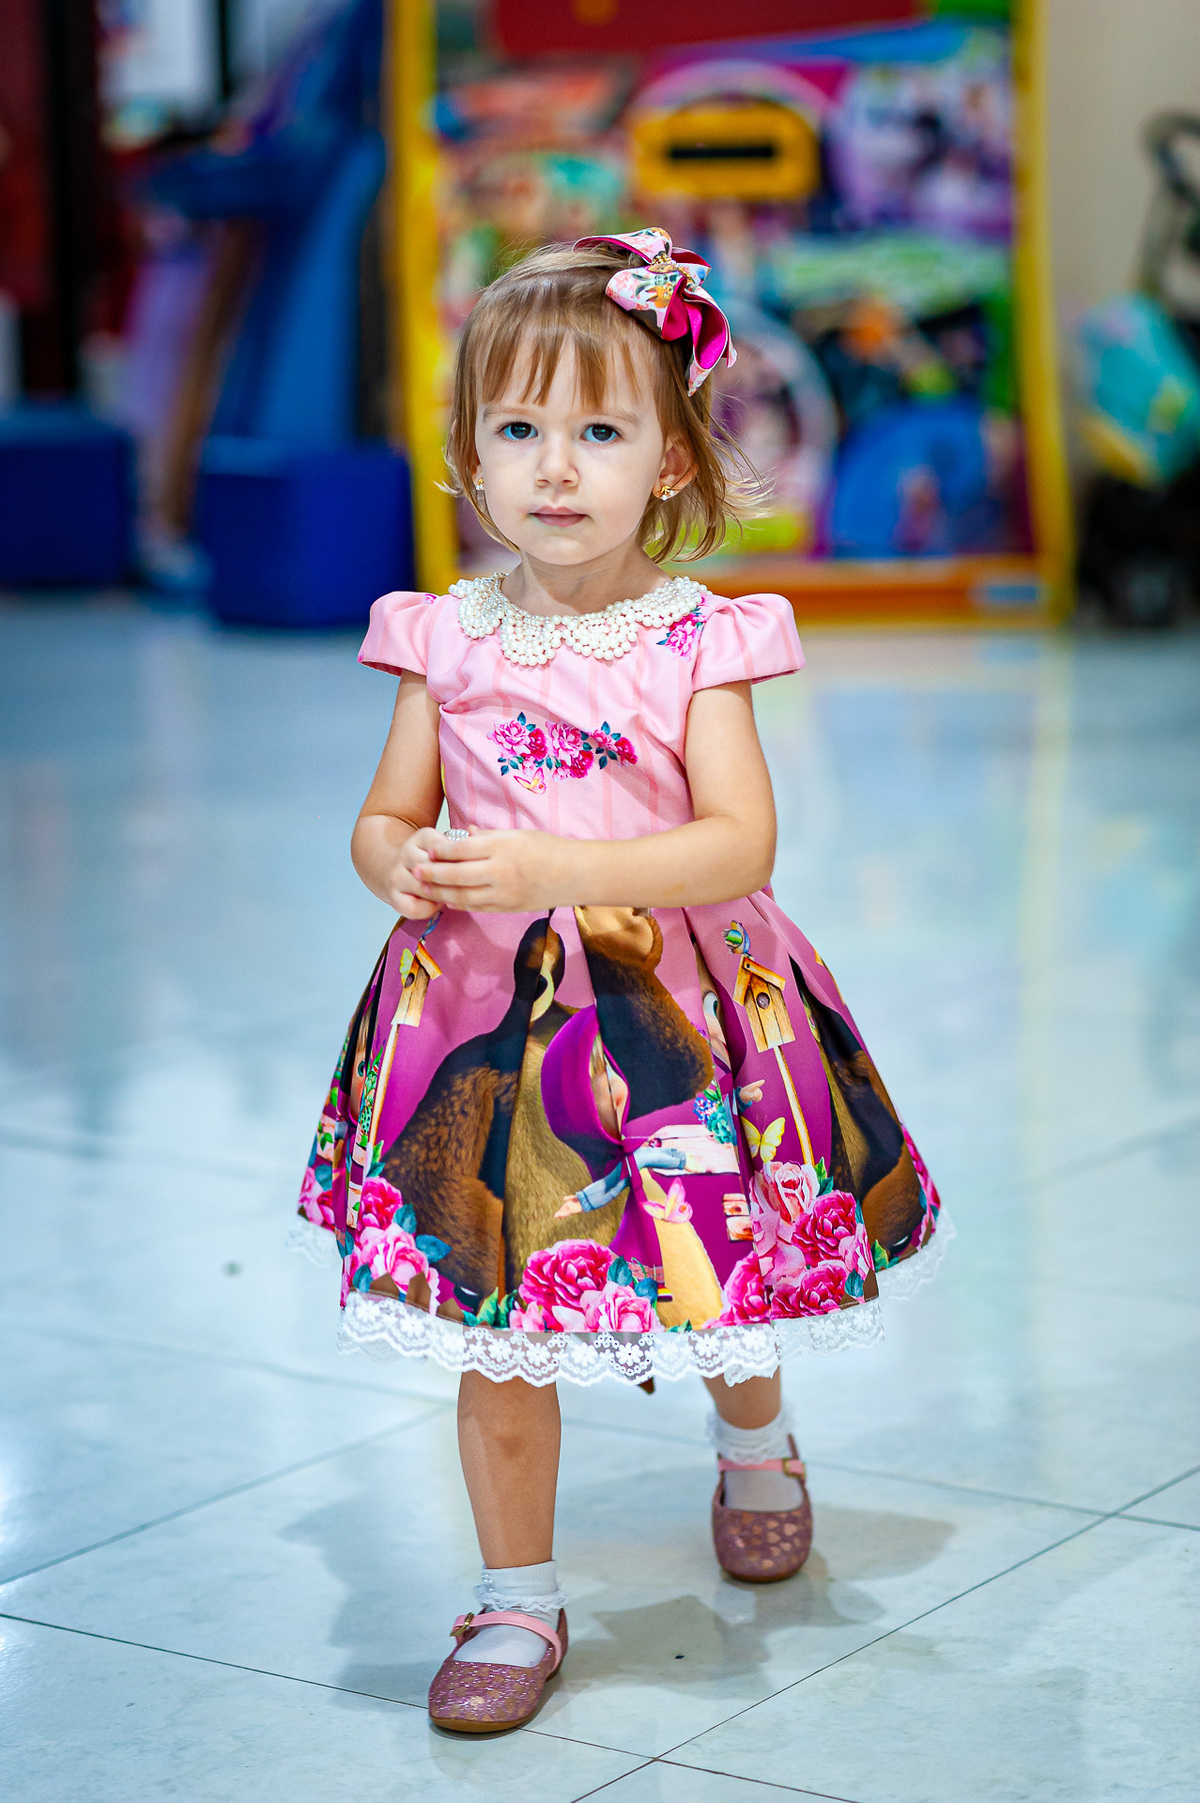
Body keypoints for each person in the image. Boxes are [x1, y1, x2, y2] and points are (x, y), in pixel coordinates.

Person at [293, 229, 944, 1734]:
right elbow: (385, 816)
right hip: (486, 1032)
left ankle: (755, 1439)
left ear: (667, 458)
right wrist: (395, 862)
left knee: (724, 1272)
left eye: (599, 429)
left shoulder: (701, 641)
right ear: (469, 452)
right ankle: (516, 1596)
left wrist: (550, 877)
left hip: (681, 1022)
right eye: (518, 429)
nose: (555, 467)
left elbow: (738, 844)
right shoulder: (441, 637)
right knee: (497, 1318)